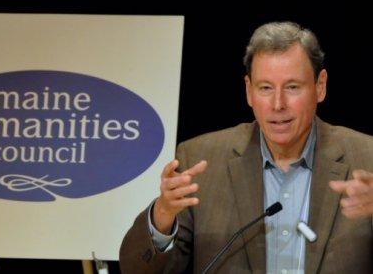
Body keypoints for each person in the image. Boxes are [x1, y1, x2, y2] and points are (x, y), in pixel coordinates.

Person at [119, 21, 373, 273]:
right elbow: (137, 270)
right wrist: (164, 213)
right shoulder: (200, 161)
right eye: (265, 88)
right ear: (249, 91)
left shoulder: (366, 158)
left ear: (320, 86)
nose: (277, 104)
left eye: (292, 87)